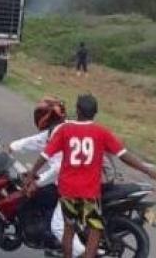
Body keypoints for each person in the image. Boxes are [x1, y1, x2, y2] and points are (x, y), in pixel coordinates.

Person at [25, 94, 156, 258]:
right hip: (89, 193)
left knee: (68, 230)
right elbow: (124, 155)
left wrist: (32, 174)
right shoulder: (101, 132)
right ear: (95, 113)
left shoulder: (65, 130)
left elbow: (45, 155)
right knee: (95, 230)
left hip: (68, 191)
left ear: (77, 110)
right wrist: (148, 171)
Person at [9, 97, 89, 257]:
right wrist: (11, 147)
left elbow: (59, 169)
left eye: (40, 114)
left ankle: (82, 253)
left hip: (73, 185)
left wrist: (37, 182)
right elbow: (35, 141)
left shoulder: (60, 133)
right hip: (79, 179)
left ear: (46, 117)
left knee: (58, 226)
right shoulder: (58, 129)